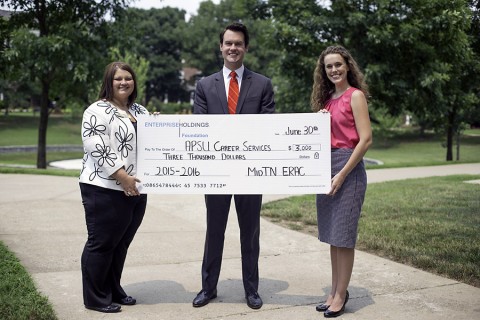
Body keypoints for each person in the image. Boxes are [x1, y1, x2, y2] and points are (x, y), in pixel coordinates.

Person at [192, 22, 275, 310]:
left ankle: (251, 290)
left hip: (250, 174)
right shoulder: (204, 85)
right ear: (221, 47)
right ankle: (208, 288)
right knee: (214, 231)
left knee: (250, 233)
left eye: (238, 43)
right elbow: (200, 129)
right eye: (228, 43)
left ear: (246, 48)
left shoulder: (262, 84)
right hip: (216, 173)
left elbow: (267, 128)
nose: (233, 48)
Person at [79, 61, 148, 313]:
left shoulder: (141, 111)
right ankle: (96, 297)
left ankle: (114, 289)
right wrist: (121, 175)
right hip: (104, 187)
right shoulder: (96, 110)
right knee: (102, 243)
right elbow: (96, 146)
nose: (123, 83)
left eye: (128, 78)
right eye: (118, 78)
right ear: (109, 81)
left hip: (137, 189)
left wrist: (161, 128)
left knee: (121, 243)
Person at [310, 45, 372, 318]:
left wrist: (343, 174)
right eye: (328, 66)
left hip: (349, 170)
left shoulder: (354, 96)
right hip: (327, 167)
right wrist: (318, 123)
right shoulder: (326, 102)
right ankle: (335, 290)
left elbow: (366, 139)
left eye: (337, 64)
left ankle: (341, 295)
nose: (333, 70)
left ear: (347, 66)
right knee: (334, 236)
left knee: (344, 237)